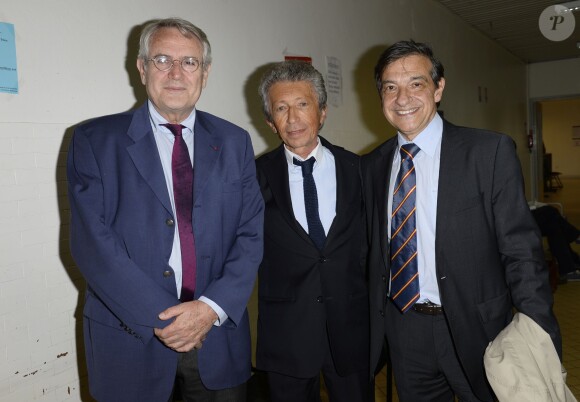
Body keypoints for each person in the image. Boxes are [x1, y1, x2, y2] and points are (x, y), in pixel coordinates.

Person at [67, 18, 264, 402]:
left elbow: (251, 233)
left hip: (216, 336)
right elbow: (93, 243)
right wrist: (165, 317)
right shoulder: (94, 140)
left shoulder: (234, 142)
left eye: (189, 62)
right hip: (129, 336)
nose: (176, 73)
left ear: (205, 72)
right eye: (162, 59)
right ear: (142, 68)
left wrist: (209, 309)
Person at [361, 40, 562, 402]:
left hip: (480, 329)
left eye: (416, 84)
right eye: (391, 87)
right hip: (405, 330)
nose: (402, 98)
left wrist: (539, 332)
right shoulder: (372, 166)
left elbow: (521, 253)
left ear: (439, 88)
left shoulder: (488, 153)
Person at [255, 60, 371, 402]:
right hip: (285, 337)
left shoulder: (360, 170)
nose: (292, 119)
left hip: (351, 331)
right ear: (270, 122)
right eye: (281, 108)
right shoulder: (252, 177)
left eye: (302, 105)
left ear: (322, 112)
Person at [531, 204, 580, 281]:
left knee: (552, 219)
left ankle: (570, 267)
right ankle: (571, 264)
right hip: (515, 220)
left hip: (520, 215)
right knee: (551, 217)